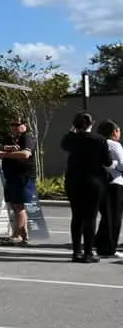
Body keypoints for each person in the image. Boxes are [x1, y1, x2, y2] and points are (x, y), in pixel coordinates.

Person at [61, 112, 112, 263]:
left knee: (76, 216)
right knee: (90, 217)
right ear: (92, 123)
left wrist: (72, 129)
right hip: (93, 181)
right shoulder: (99, 140)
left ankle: (76, 251)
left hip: (74, 181)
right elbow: (107, 162)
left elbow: (65, 143)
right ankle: (88, 252)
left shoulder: (71, 139)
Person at [0, 117, 37, 246]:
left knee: (18, 206)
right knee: (16, 205)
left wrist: (5, 154)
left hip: (23, 176)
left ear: (24, 125)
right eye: (12, 125)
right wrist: (5, 148)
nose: (14, 127)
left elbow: (25, 154)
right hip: (12, 176)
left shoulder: (27, 137)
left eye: (17, 125)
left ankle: (16, 235)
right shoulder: (12, 138)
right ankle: (24, 235)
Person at [94, 120, 123, 258]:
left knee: (107, 216)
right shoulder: (114, 145)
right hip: (116, 182)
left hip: (102, 183)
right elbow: (122, 164)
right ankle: (109, 248)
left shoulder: (97, 143)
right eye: (119, 130)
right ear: (114, 131)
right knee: (114, 218)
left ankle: (100, 244)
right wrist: (114, 164)